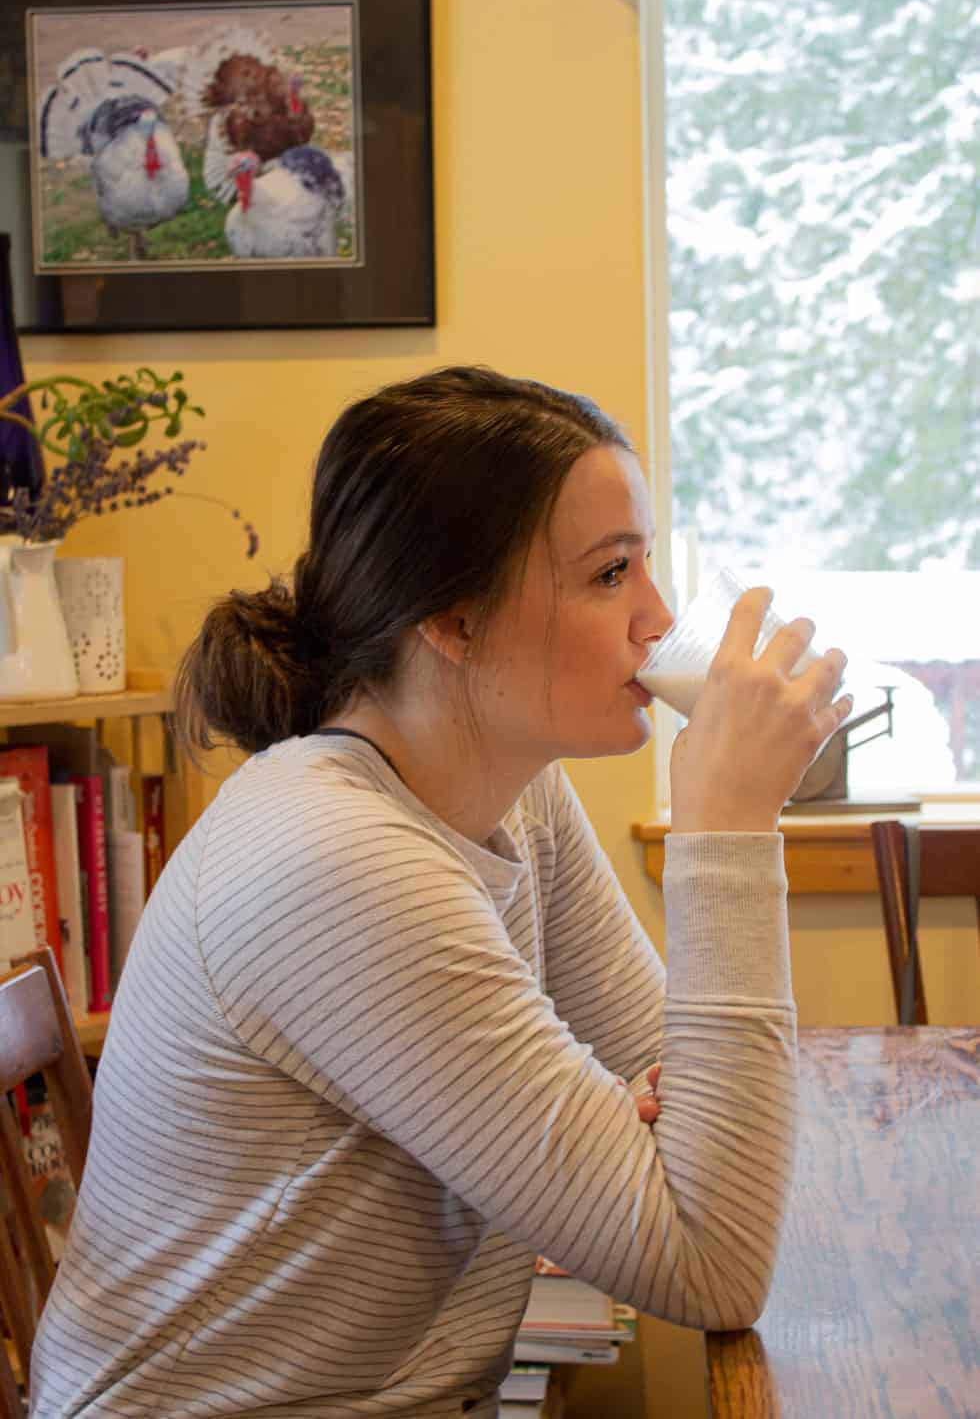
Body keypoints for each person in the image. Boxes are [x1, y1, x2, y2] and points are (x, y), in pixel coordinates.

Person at [30, 365, 851, 1419]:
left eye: (645, 567)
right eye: (608, 576)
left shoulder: (517, 799)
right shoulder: (334, 862)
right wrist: (726, 824)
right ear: (451, 622)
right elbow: (709, 1263)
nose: (655, 619)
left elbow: (685, 1110)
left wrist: (661, 1121)